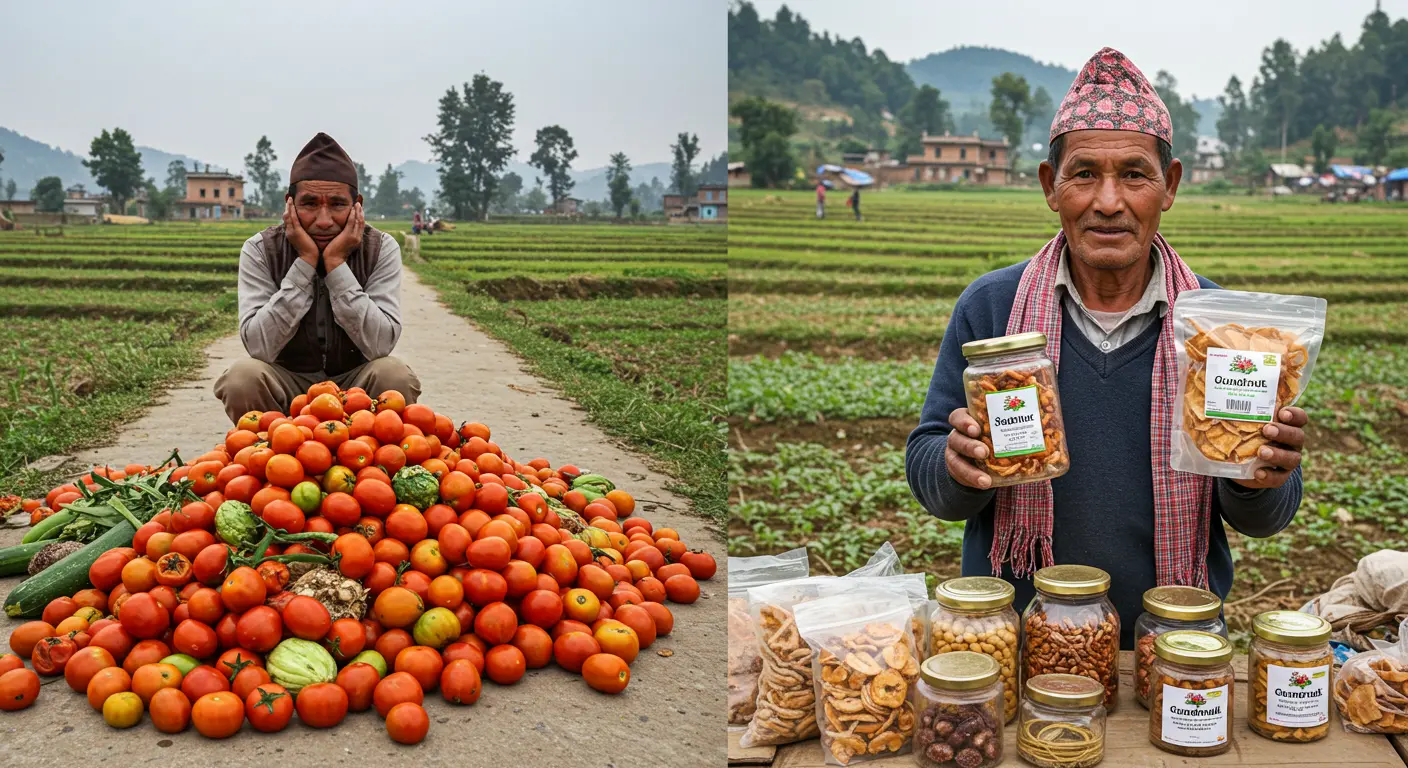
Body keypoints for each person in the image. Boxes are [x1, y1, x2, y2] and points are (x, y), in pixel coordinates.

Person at [904, 47, 1307, 648]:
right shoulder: (992, 309)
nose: (1109, 202)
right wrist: (959, 466)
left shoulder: (1222, 331)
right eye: (1085, 172)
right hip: (1013, 641)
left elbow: (1266, 516)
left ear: (1168, 186)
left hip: (1172, 642)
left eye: (1135, 174)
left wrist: (1260, 477)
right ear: (1051, 185)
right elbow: (928, 467)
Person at [213, 132, 421, 422]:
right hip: (288, 382)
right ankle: (267, 459)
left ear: (357, 205)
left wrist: (336, 264)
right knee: (242, 378)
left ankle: (376, 455)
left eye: (337, 204)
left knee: (393, 375)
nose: (324, 221)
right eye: (310, 204)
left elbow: (381, 344)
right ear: (290, 204)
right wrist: (305, 262)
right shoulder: (260, 249)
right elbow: (258, 346)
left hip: (355, 387)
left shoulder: (381, 248)